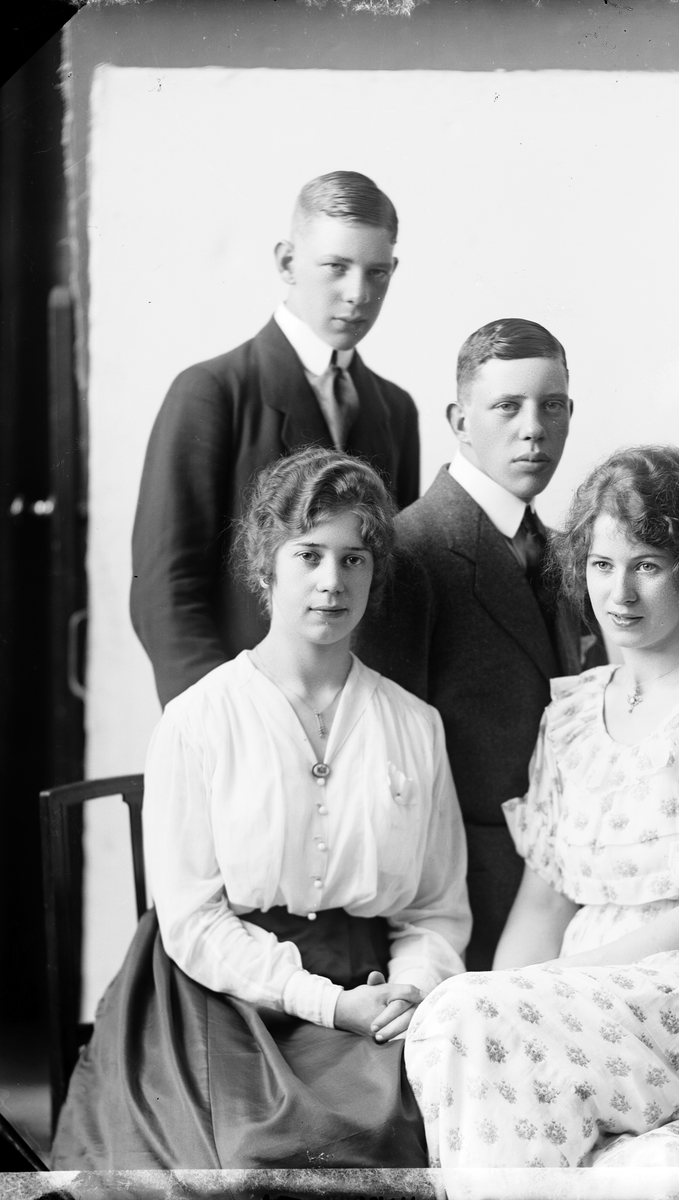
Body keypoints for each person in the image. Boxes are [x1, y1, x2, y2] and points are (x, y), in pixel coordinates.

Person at [404, 445, 679, 1170]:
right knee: (460, 1015)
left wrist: (547, 987)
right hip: (597, 1000)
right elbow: (543, 904)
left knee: (467, 1015)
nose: (620, 593)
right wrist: (507, 990)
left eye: (646, 565)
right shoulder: (573, 715)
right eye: (602, 565)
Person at [52, 448, 470, 1170]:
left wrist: (410, 994)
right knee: (246, 1162)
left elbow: (435, 910)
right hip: (216, 993)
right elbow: (193, 919)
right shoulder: (198, 719)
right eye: (309, 555)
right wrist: (324, 1004)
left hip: (369, 996)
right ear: (265, 565)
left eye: (354, 559)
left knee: (403, 1146)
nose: (332, 582)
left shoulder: (414, 724)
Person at [355, 318, 605, 971]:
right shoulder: (411, 553)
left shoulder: (570, 553)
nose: (534, 428)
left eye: (553, 405)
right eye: (507, 406)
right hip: (466, 903)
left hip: (574, 885)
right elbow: (385, 767)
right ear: (459, 421)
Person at [131, 170, 420, 708]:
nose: (358, 294)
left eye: (377, 272)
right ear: (287, 262)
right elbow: (164, 592)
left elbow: (384, 585)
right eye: (336, 267)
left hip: (355, 718)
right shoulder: (212, 392)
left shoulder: (394, 409)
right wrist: (225, 722)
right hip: (242, 719)